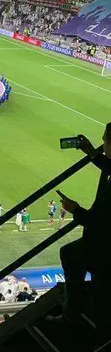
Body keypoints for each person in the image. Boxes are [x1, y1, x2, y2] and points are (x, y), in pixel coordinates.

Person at [51, 128, 111, 325]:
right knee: (71, 253)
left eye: (105, 140)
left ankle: (76, 316)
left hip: (104, 245)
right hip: (101, 240)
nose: (103, 143)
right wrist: (92, 152)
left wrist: (75, 210)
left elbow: (101, 223)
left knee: (71, 254)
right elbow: (108, 166)